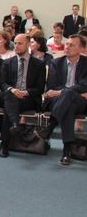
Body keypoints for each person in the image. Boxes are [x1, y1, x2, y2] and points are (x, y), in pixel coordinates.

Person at [37, 35, 87, 165]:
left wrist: (62, 92)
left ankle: (51, 125)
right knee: (68, 107)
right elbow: (52, 85)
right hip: (58, 101)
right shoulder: (56, 62)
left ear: (81, 49)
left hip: (80, 101)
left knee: (69, 95)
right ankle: (66, 150)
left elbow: (84, 85)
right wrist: (66, 92)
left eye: (72, 45)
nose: (67, 47)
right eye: (67, 44)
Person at [0, 34, 46, 158]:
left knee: (9, 107)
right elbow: (2, 83)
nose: (16, 46)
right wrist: (12, 90)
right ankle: (15, 124)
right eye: (15, 43)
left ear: (28, 44)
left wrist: (25, 92)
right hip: (9, 94)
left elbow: (40, 88)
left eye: (20, 43)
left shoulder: (39, 64)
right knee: (9, 96)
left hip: (28, 98)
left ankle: (5, 143)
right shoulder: (7, 63)